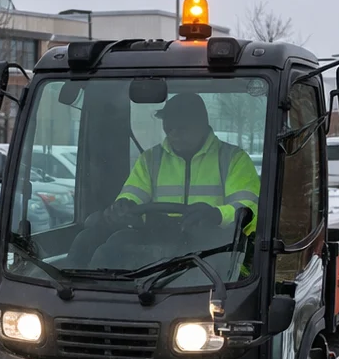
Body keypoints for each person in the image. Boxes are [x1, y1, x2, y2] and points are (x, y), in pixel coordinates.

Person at [70, 91, 260, 267]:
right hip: (156, 243)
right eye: (169, 128)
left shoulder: (233, 159)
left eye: (182, 128)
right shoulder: (151, 159)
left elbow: (248, 208)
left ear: (202, 123)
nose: (173, 134)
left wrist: (216, 214)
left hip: (215, 247)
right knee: (100, 249)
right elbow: (133, 194)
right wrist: (124, 205)